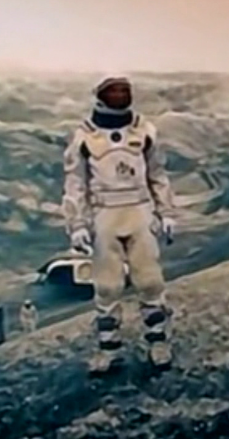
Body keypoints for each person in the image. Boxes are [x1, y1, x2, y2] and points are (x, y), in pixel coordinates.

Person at [60, 74, 177, 374]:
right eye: (113, 91)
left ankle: (158, 342)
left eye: (124, 90)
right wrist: (77, 224)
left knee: (150, 281)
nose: (120, 96)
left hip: (139, 211)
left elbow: (157, 175)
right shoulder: (84, 137)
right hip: (104, 215)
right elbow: (75, 184)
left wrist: (166, 212)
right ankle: (108, 349)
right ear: (100, 96)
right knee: (107, 286)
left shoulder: (144, 131)